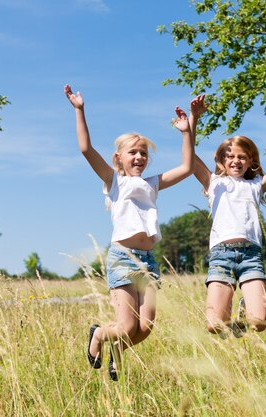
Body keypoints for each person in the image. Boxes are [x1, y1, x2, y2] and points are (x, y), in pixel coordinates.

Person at [64, 84, 195, 380]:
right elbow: (86, 149)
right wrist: (79, 110)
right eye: (132, 152)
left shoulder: (153, 183)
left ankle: (117, 350)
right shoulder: (115, 182)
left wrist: (187, 131)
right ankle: (99, 334)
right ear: (119, 158)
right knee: (125, 328)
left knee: (145, 328)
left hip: (148, 261)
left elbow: (187, 167)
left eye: (143, 153)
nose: (139, 157)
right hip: (123, 259)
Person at [189, 93, 266, 337]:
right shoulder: (213, 182)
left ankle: (245, 310)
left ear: (251, 161)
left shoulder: (257, 184)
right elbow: (189, 159)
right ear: (220, 160)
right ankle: (233, 313)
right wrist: (192, 121)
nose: (235, 161)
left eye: (241, 157)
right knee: (214, 326)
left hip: (251, 255)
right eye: (229, 156)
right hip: (221, 256)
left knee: (259, 322)